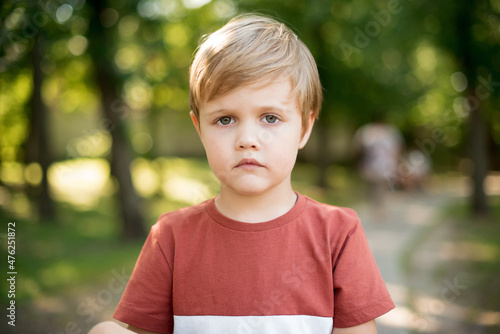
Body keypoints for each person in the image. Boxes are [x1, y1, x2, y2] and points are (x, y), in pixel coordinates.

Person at [90, 14, 394, 334]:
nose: (247, 139)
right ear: (200, 129)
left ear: (305, 127)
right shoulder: (170, 238)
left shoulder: (338, 235)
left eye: (270, 118)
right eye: (225, 120)